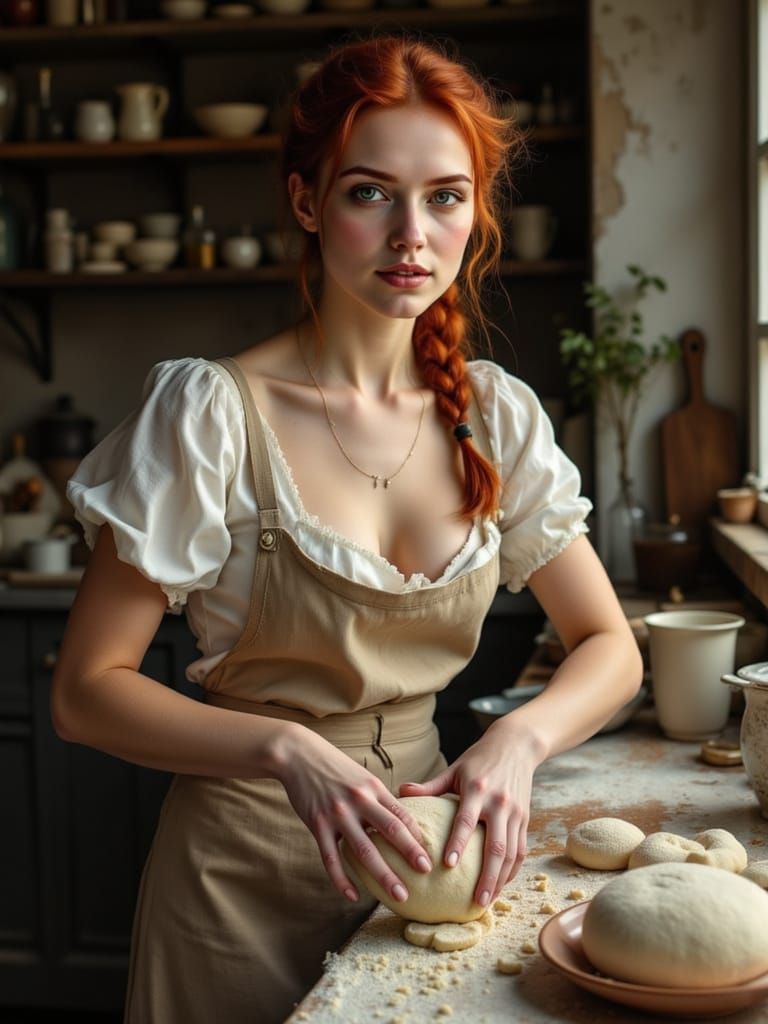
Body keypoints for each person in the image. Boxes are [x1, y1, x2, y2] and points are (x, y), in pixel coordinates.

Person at [50, 34, 643, 1024]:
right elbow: (84, 693)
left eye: (445, 197)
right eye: (372, 192)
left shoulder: (492, 416)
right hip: (235, 886)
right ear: (306, 201)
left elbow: (610, 647)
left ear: (475, 214)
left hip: (429, 868)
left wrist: (517, 741)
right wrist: (285, 748)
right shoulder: (209, 413)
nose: (413, 234)